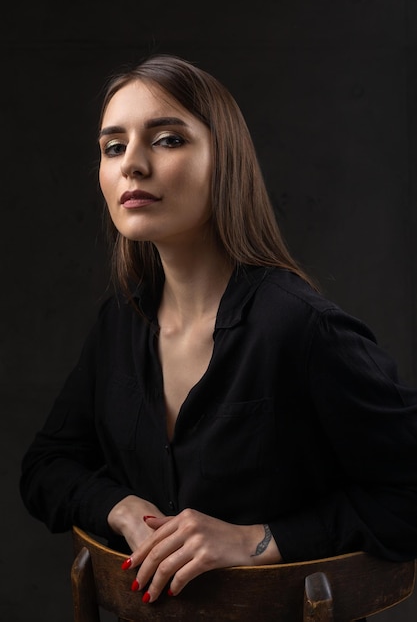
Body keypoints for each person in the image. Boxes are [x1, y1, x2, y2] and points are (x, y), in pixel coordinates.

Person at [20, 53, 417, 605]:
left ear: (224, 161)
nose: (132, 164)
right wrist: (118, 506)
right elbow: (45, 466)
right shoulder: (120, 323)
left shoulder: (302, 330)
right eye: (114, 147)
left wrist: (261, 540)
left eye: (166, 139)